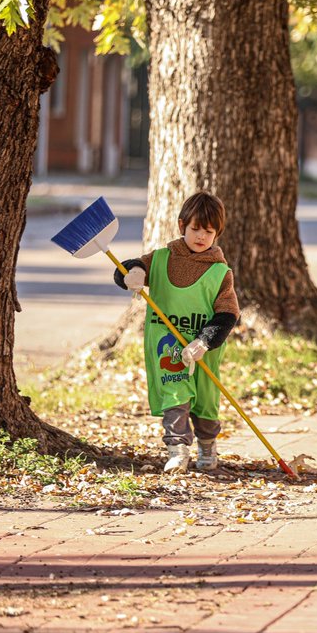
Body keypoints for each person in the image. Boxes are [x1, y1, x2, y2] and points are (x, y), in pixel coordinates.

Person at [114, 192, 240, 471]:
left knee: (206, 403)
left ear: (217, 233)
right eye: (195, 228)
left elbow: (228, 313)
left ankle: (207, 446)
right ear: (182, 225)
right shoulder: (161, 259)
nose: (201, 236)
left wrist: (205, 341)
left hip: (202, 351)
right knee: (175, 396)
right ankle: (178, 449)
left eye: (209, 231)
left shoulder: (220, 273)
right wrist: (131, 272)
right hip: (167, 348)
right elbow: (130, 268)